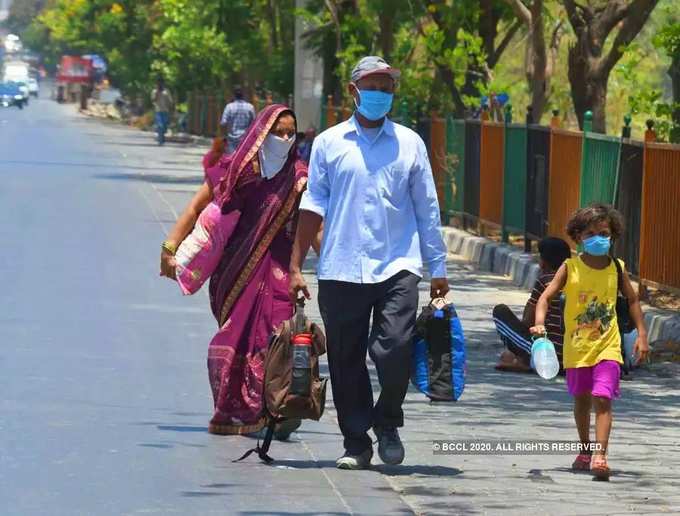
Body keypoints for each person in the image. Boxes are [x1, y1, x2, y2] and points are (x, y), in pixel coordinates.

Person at [289, 56, 449, 470]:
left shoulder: (410, 143)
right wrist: (294, 267)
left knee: (394, 347)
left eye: (388, 86)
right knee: (345, 358)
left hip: (398, 264)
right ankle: (356, 441)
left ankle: (388, 420)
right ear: (353, 90)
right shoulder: (328, 143)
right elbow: (311, 206)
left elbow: (427, 207)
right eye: (373, 85)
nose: (381, 93)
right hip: (341, 265)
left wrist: (438, 267)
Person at [160, 104, 318, 439]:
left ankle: (273, 408)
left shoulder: (299, 177)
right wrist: (170, 247)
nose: (285, 139)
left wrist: (332, 265)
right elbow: (197, 206)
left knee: (275, 338)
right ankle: (237, 410)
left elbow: (313, 224)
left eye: (291, 133)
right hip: (236, 272)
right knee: (235, 337)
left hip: (279, 272)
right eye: (279, 132)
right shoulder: (235, 171)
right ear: (262, 132)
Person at [530, 203, 649, 480]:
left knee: (603, 397)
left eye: (604, 232)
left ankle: (600, 456)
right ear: (579, 236)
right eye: (591, 233)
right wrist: (539, 322)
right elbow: (545, 298)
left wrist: (642, 334)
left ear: (613, 234)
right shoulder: (570, 267)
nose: (599, 238)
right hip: (577, 348)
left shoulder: (617, 269)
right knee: (582, 401)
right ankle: (584, 450)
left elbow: (632, 300)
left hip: (608, 345)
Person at [493, 237, 571, 373]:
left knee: (500, 311)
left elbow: (528, 321)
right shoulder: (577, 280)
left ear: (544, 262)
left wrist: (512, 349)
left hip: (549, 353)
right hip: (574, 356)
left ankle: (524, 358)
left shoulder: (545, 280)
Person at [220, 87, 256, 153]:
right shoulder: (250, 107)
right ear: (243, 96)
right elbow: (254, 123)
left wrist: (223, 135)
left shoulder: (229, 107)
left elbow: (223, 122)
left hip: (231, 139)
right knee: (242, 160)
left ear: (234, 96)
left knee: (232, 159)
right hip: (245, 139)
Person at [152, 78, 173, 145]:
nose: (160, 85)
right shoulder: (154, 91)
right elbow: (153, 100)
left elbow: (170, 101)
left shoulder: (166, 91)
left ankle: (162, 138)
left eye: (161, 83)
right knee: (160, 125)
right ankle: (160, 141)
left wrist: (170, 107)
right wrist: (157, 94)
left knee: (164, 127)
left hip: (165, 111)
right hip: (158, 111)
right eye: (158, 83)